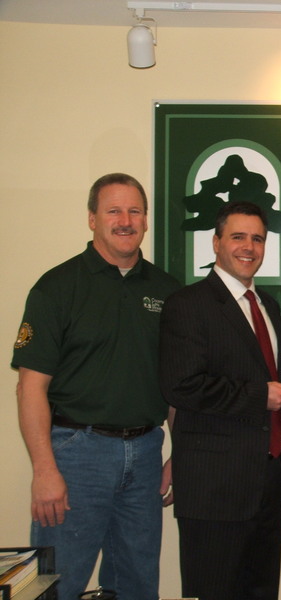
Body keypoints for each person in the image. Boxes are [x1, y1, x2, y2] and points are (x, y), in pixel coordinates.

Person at [11, 173, 181, 600]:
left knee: (137, 585)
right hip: (75, 456)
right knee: (56, 585)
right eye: (114, 211)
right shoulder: (57, 287)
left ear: (146, 221)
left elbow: (177, 386)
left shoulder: (168, 291)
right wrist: (44, 470)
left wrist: (178, 455)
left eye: (135, 211)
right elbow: (29, 387)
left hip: (145, 455)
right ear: (92, 219)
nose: (126, 220)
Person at [159, 201, 281, 600]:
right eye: (238, 236)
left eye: (257, 238)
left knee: (262, 591)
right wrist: (263, 395)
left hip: (269, 475)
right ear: (216, 243)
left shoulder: (268, 307)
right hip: (215, 485)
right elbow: (182, 386)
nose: (249, 246)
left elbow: (263, 379)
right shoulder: (187, 305)